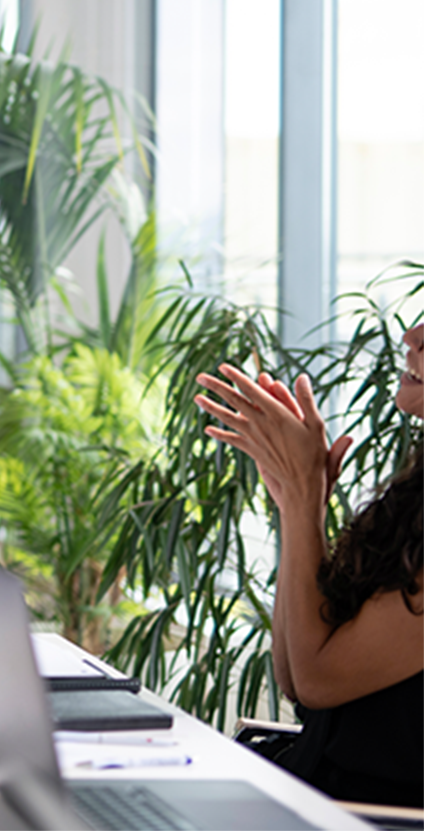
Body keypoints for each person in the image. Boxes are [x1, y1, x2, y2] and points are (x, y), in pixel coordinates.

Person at [194, 323, 423, 807]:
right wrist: (298, 506)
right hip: (309, 793)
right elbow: (295, 675)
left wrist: (303, 499)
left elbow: (317, 681)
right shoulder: (413, 497)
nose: (413, 335)